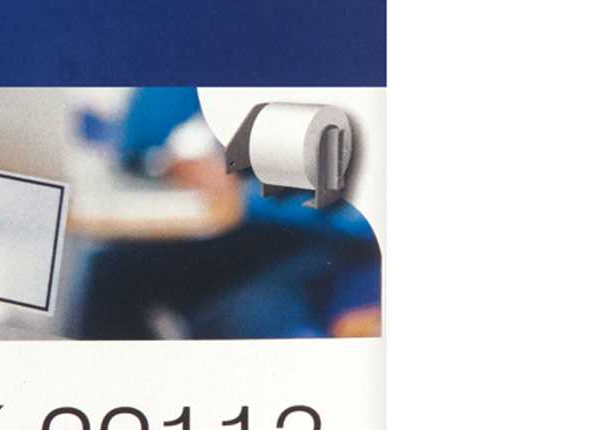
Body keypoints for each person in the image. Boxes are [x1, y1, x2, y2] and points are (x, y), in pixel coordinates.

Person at [72, 87, 381, 339]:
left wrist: (248, 193)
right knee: (108, 276)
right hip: (244, 228)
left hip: (335, 241)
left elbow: (366, 204)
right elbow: (137, 143)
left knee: (244, 315)